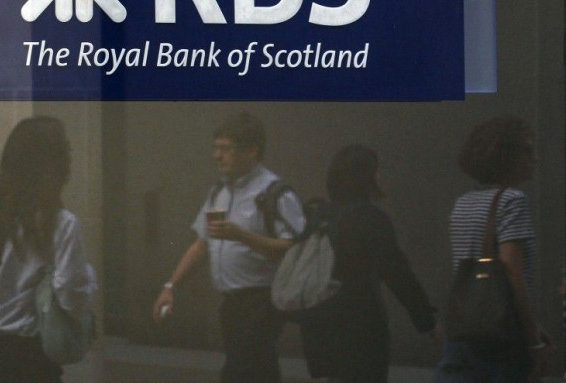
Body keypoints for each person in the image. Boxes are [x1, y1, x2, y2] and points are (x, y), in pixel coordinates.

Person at [152, 112, 305, 383]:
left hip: (261, 300)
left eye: (226, 149)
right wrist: (170, 286)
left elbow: (291, 248)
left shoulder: (274, 193)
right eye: (216, 148)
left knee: (241, 370)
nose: (217, 155)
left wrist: (240, 235)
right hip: (231, 304)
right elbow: (201, 245)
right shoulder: (219, 192)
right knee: (256, 370)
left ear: (251, 151)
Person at [0, 116, 97, 383]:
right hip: (28, 358)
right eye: (66, 152)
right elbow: (71, 294)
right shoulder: (61, 223)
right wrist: (90, 280)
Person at [300, 144, 437, 383]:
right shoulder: (370, 219)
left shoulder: (319, 215)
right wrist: (427, 321)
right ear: (367, 177)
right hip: (360, 329)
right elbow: (399, 275)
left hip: (319, 326)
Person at [435, 116, 550, 383]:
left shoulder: (463, 202)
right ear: (507, 156)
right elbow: (512, 274)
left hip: (463, 332)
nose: (535, 159)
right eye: (528, 150)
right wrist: (533, 340)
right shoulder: (513, 201)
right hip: (502, 340)